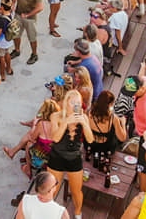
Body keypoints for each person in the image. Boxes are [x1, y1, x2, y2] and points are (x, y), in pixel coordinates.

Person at [46, 89, 93, 219]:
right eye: (72, 103)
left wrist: (85, 124)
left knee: (76, 191)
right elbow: (55, 138)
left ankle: (78, 213)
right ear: (66, 103)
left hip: (74, 157)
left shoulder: (83, 117)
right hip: (57, 157)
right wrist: (66, 121)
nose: (75, 106)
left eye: (78, 103)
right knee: (52, 189)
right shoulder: (55, 116)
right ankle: (50, 212)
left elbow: (90, 140)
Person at [4, 99, 59, 178]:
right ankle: (13, 152)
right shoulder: (58, 124)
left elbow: (33, 138)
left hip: (42, 160)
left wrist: (34, 125)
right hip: (54, 158)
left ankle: (28, 169)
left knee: (29, 144)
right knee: (30, 139)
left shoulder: (42, 124)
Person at [15, 0, 44, 65]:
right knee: (16, 35)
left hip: (30, 18)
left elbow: (40, 7)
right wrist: (12, 3)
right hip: (18, 14)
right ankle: (17, 50)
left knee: (32, 37)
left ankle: (34, 54)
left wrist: (28, 14)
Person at [86, 90, 127, 157]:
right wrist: (123, 123)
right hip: (106, 149)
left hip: (90, 146)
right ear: (110, 104)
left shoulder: (89, 113)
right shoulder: (113, 118)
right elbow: (122, 138)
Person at [0, 0, 16, 81]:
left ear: (2, 7)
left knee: (1, 57)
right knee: (7, 54)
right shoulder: (11, 14)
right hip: (9, 40)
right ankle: (9, 69)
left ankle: (2, 74)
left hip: (1, 42)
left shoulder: (1, 19)